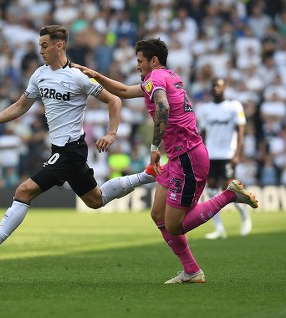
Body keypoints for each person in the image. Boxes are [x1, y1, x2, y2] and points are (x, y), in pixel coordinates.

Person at [0, 25, 158, 264]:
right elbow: (20, 106)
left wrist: (111, 133)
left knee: (24, 191)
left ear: (59, 45)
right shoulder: (39, 74)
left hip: (70, 150)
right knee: (96, 200)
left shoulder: (77, 76)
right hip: (62, 151)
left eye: (45, 45)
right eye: (39, 46)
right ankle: (147, 176)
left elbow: (114, 100)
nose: (41, 51)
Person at [74, 38, 258, 284]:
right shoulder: (168, 76)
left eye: (139, 61)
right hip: (179, 157)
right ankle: (192, 271)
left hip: (188, 157)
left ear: (153, 60)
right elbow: (125, 91)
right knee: (158, 215)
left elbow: (162, 107)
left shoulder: (155, 80)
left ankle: (230, 195)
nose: (137, 65)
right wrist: (95, 75)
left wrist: (153, 147)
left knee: (174, 225)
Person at [196, 77, 252, 239]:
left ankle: (244, 216)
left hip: (228, 153)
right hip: (211, 154)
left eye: (219, 86)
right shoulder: (205, 109)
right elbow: (203, 133)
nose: (216, 89)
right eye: (214, 86)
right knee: (212, 190)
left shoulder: (234, 106)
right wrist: (203, 154)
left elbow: (241, 131)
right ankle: (219, 228)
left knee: (230, 188)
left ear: (224, 88)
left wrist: (237, 154)